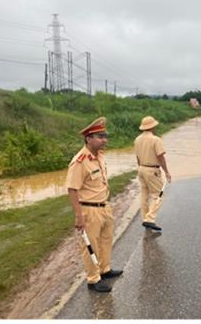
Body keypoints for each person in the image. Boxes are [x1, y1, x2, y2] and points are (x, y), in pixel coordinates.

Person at [66, 117, 122, 293]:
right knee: (91, 245)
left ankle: (104, 269)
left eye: (105, 136)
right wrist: (79, 215)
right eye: (100, 136)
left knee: (106, 241)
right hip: (89, 209)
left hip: (104, 206)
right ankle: (93, 278)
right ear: (88, 139)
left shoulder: (100, 156)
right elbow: (72, 189)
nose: (104, 140)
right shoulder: (80, 161)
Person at [134, 116, 171, 233]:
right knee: (158, 195)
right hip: (152, 170)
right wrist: (167, 172)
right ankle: (150, 219)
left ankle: (145, 218)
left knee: (144, 195)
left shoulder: (137, 139)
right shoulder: (156, 140)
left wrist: (140, 168)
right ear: (153, 126)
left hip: (141, 168)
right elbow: (160, 157)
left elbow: (137, 157)